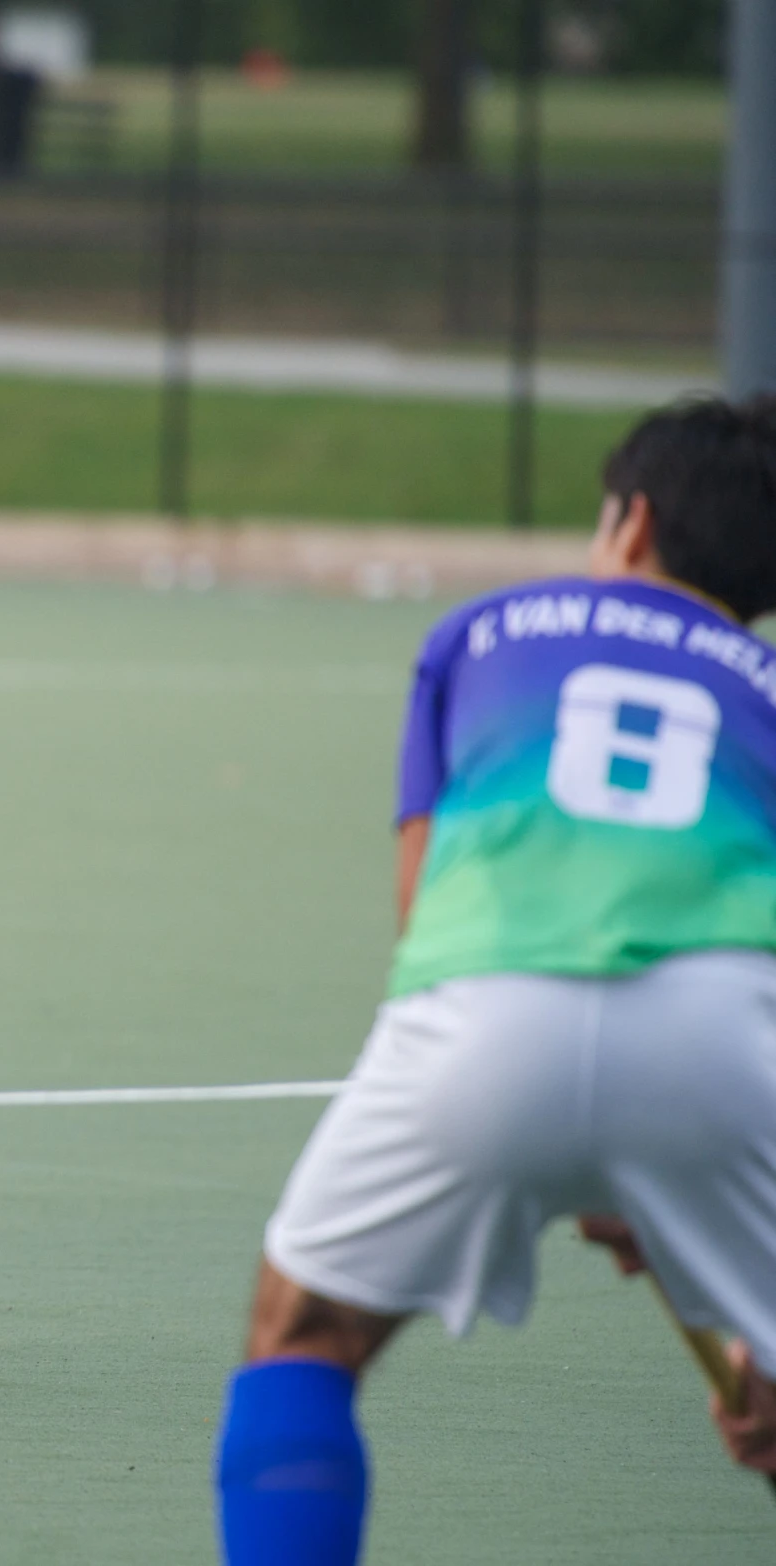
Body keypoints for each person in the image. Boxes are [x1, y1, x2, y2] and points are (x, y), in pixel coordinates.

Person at [214, 397, 776, 1564]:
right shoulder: (764, 688)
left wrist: (563, 1125)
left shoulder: (477, 635)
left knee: (299, 1335)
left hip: (480, 1019)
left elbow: (419, 905)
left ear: (632, 523)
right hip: (720, 1036)